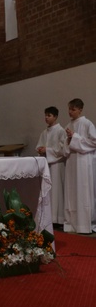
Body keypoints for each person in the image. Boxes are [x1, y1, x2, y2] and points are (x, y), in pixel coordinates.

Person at [62, 98, 96, 234]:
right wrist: (69, 139)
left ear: (80, 110)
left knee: (83, 190)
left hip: (83, 162)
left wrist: (74, 137)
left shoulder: (87, 124)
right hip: (72, 161)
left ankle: (85, 224)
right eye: (69, 109)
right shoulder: (68, 125)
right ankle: (72, 224)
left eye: (73, 109)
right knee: (72, 191)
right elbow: (65, 147)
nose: (70, 112)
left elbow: (94, 142)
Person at [36, 106, 65, 227]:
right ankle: (48, 217)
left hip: (57, 165)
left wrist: (47, 150)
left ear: (56, 117)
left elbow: (62, 149)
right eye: (45, 115)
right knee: (47, 191)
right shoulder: (44, 132)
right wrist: (40, 150)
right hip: (47, 164)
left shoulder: (60, 131)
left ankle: (57, 218)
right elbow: (39, 145)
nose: (46, 118)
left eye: (49, 115)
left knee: (56, 191)